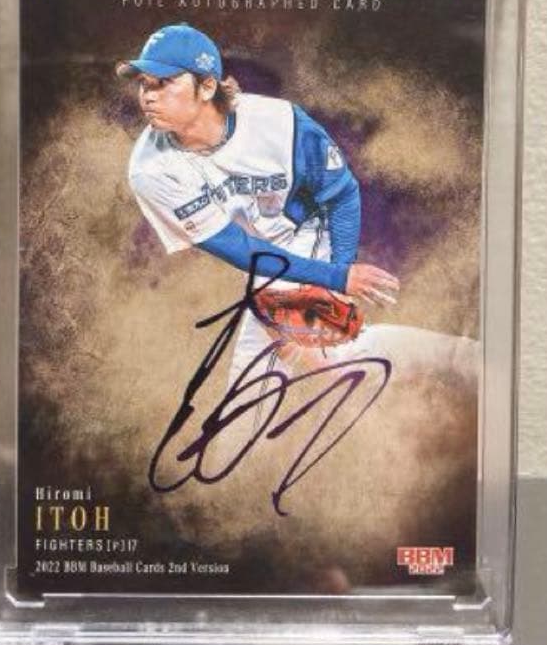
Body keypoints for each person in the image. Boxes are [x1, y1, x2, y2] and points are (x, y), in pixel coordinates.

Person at [120, 23, 400, 388]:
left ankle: (427, 364)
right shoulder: (151, 169)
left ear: (207, 87)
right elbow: (238, 247)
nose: (148, 96)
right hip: (260, 251)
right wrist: (337, 278)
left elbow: (341, 192)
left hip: (307, 226)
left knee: (262, 375)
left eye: (164, 82)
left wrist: (338, 274)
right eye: (144, 83)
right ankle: (416, 367)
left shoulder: (280, 122)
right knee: (312, 368)